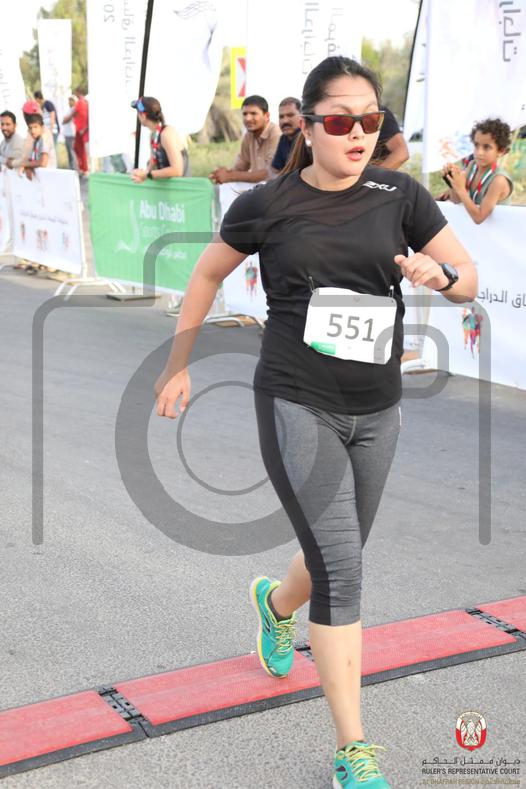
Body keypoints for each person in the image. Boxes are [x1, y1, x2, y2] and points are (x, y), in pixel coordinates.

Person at [154, 56, 477, 788]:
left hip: (378, 408)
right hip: (297, 398)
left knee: (340, 549)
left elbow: (468, 279)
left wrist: (444, 275)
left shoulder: (400, 194)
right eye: (340, 121)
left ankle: (275, 604)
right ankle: (352, 748)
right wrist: (177, 364)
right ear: (307, 124)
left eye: (371, 120)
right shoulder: (267, 203)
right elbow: (207, 272)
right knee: (342, 566)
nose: (358, 133)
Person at [442, 118, 513, 224]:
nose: (479, 152)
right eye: (476, 145)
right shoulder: (472, 166)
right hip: (475, 232)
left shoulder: (499, 180)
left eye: (486, 147)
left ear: (501, 151)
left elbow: (479, 218)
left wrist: (461, 189)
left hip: (498, 232)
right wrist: (452, 181)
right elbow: (457, 201)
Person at [209, 95, 280, 184]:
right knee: (226, 187)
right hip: (260, 188)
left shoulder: (276, 134)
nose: (248, 118)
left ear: (266, 116)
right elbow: (240, 167)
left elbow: (269, 173)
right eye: (245, 114)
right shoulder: (249, 135)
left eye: (253, 114)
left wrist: (230, 176)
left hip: (276, 188)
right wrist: (224, 173)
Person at [130, 96, 189, 182]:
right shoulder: (154, 135)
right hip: (168, 189)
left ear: (143, 116)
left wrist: (147, 175)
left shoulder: (166, 134)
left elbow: (177, 170)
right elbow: (152, 164)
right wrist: (141, 175)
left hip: (181, 188)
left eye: (138, 113)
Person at [268, 96, 302, 175]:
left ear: (302, 116)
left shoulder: (307, 138)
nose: (285, 121)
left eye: (290, 115)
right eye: (281, 117)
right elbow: (275, 169)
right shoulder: (284, 138)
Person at [63, 87, 89, 176]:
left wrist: (84, 128)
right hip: (81, 131)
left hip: (80, 131)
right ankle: (82, 169)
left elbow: (70, 116)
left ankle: (83, 169)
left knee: (81, 151)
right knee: (79, 150)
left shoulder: (81, 103)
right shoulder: (84, 102)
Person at [62, 97, 77, 170]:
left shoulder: (74, 109)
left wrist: (65, 119)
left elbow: (66, 120)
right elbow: (64, 120)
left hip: (72, 134)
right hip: (67, 134)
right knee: (69, 153)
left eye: (70, 101)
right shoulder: (69, 110)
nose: (69, 102)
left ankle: (74, 168)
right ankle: (71, 168)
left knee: (72, 152)